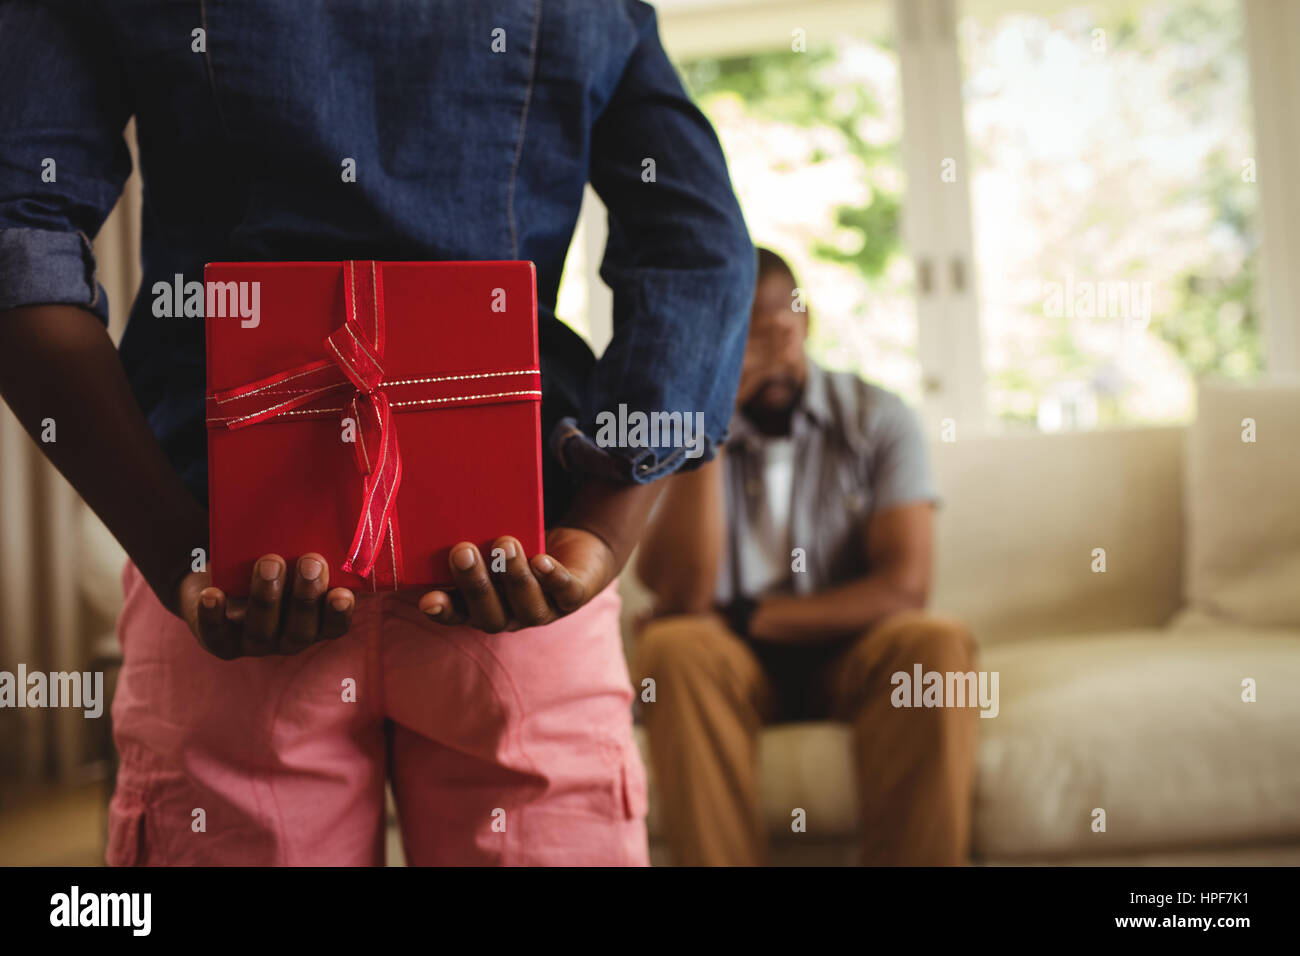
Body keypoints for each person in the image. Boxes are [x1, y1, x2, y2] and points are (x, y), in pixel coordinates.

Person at [0, 0, 754, 865]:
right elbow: (698, 243)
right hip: (519, 560)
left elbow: (18, 239)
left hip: (235, 569)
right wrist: (600, 531)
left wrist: (181, 559)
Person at [635, 248, 979, 866]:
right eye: (743, 340)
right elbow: (682, 600)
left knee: (936, 642)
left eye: (778, 334)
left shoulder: (879, 418)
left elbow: (903, 588)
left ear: (806, 323)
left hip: (849, 651)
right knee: (674, 647)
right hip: (730, 665)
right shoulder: (684, 427)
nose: (767, 357)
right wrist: (708, 422)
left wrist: (746, 617)